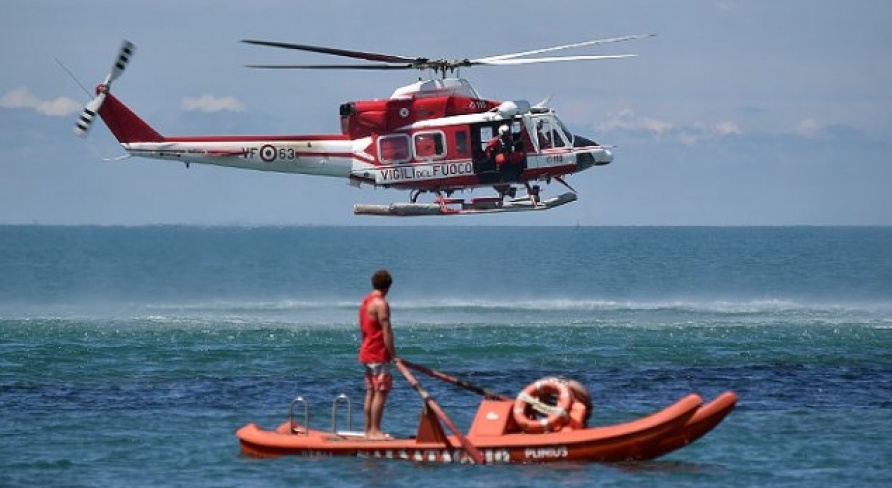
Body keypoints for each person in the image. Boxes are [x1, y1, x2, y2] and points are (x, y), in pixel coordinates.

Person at [358, 269, 397, 439]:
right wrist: (393, 355)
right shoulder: (381, 304)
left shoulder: (365, 301)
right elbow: (386, 331)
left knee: (371, 391)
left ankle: (368, 430)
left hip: (367, 351)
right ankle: (374, 431)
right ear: (388, 287)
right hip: (378, 353)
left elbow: (364, 327)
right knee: (381, 391)